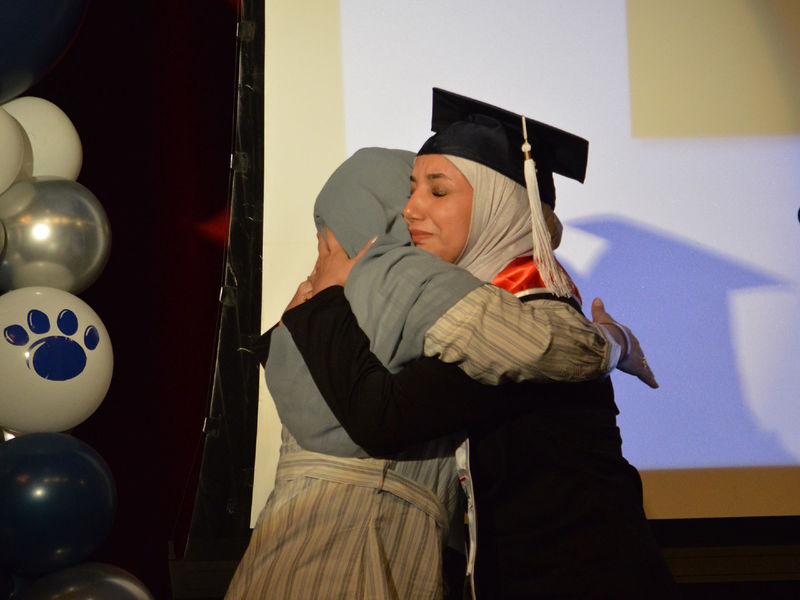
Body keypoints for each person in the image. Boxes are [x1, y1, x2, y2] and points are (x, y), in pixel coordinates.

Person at [225, 91, 661, 599]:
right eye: (411, 191)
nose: (410, 211)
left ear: (499, 203)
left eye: (438, 192)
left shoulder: (521, 311)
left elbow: (380, 418)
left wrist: (611, 342)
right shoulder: (451, 312)